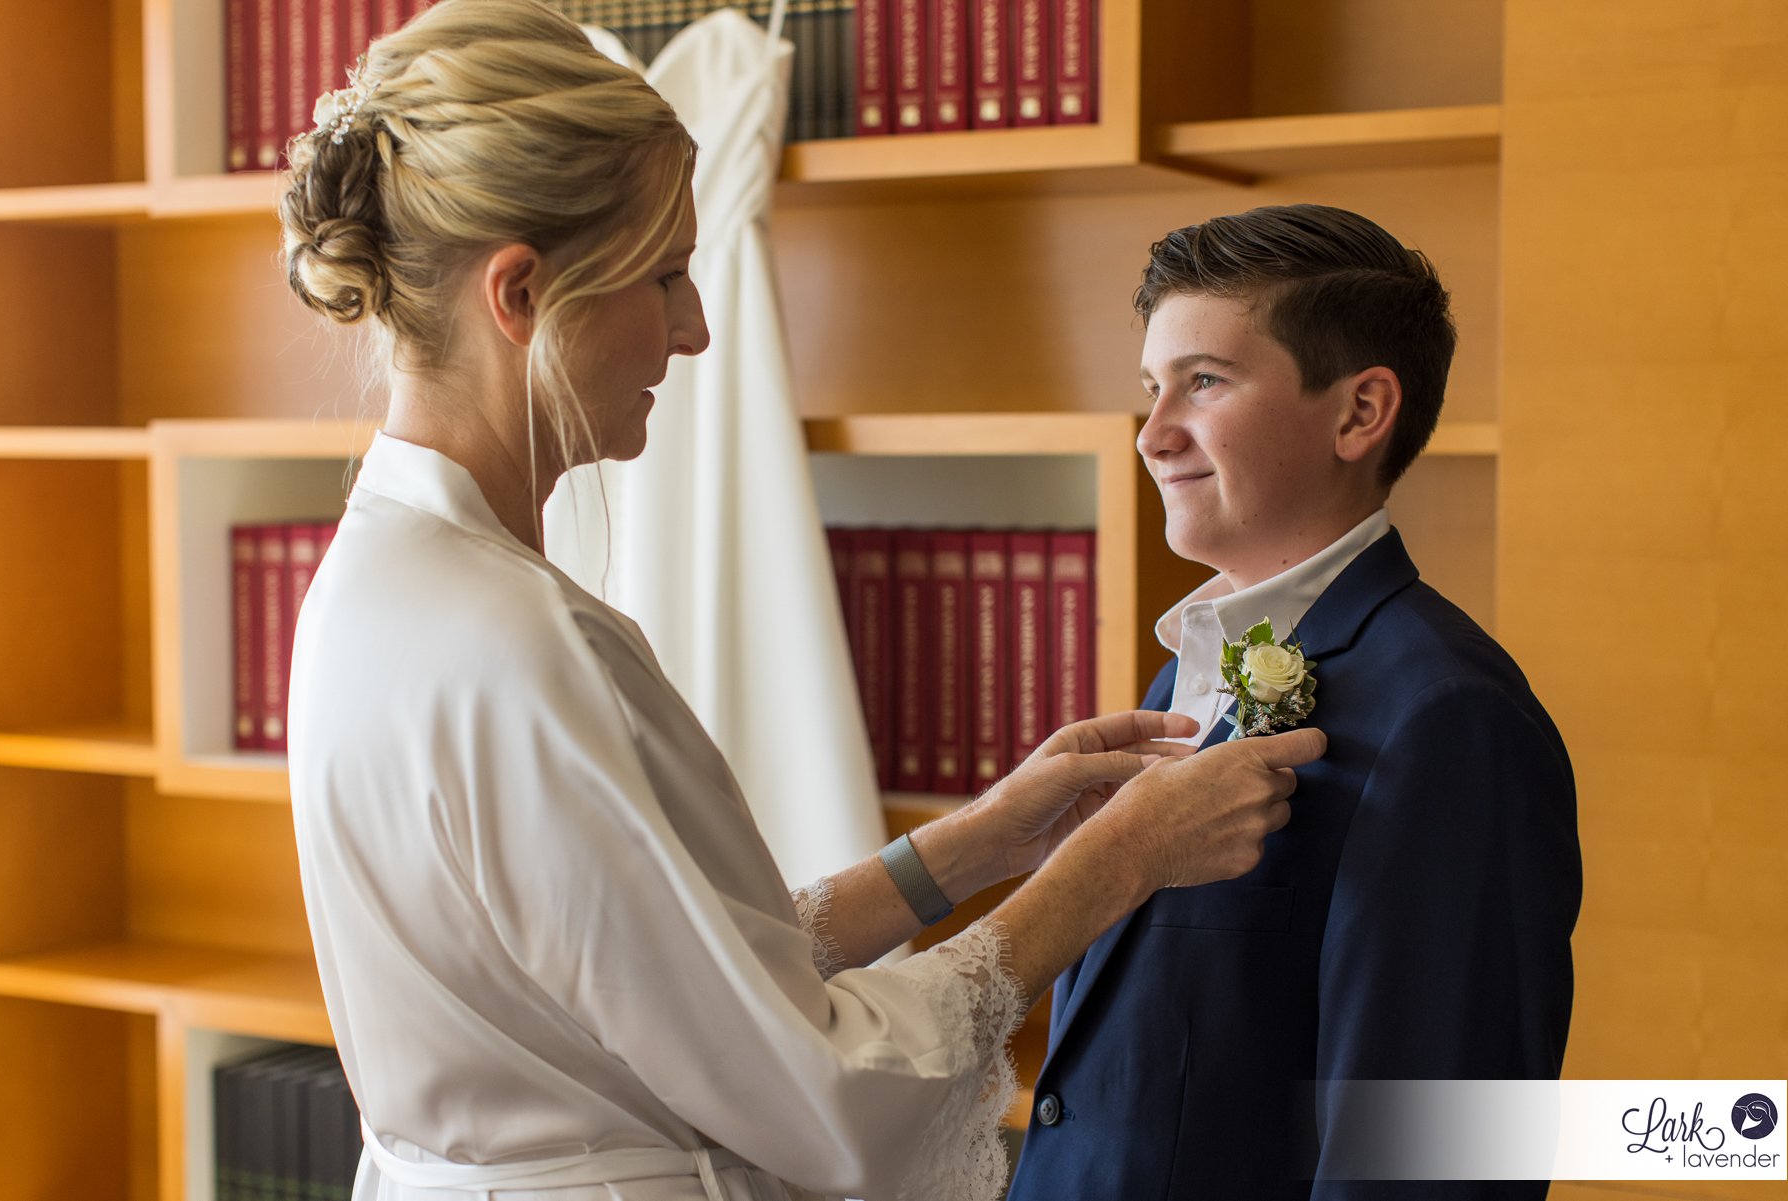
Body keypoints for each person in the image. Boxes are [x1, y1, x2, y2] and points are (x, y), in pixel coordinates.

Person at [278, 5, 1326, 1201]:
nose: (697, 326)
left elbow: (664, 968)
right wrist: (1116, 861)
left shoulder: (371, 581)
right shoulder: (514, 641)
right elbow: (812, 1087)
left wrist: (980, 840)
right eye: (667, 274)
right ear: (519, 293)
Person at [1005, 205, 1583, 1199]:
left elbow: (1431, 1161)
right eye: (1151, 388)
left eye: (1205, 382)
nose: (1153, 435)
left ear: (1361, 413)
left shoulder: (1450, 718)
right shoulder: (1194, 667)